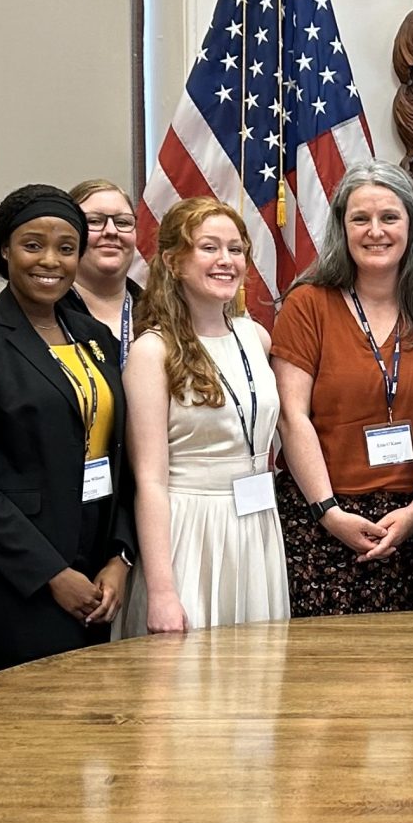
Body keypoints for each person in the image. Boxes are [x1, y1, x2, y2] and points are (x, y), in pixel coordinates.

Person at [0, 185, 133, 687]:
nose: (51, 261)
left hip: (94, 570)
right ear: (4, 249)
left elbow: (120, 453)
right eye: (33, 244)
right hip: (12, 582)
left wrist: (120, 557)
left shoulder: (96, 337)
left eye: (66, 248)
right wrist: (52, 574)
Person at [272, 160, 413, 616]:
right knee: (329, 676)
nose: (375, 231)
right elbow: (290, 416)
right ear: (342, 228)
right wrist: (329, 513)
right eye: (360, 218)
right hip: (323, 519)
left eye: (389, 217)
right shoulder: (308, 305)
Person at [120, 197, 287, 636]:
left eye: (236, 249)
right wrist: (161, 591)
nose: (226, 260)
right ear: (174, 262)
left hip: (256, 523)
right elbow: (151, 480)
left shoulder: (257, 337)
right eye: (209, 247)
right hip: (191, 530)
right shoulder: (152, 352)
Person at [69, 177, 143, 348]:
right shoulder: (45, 314)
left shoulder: (161, 312)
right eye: (94, 221)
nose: (111, 231)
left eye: (122, 222)